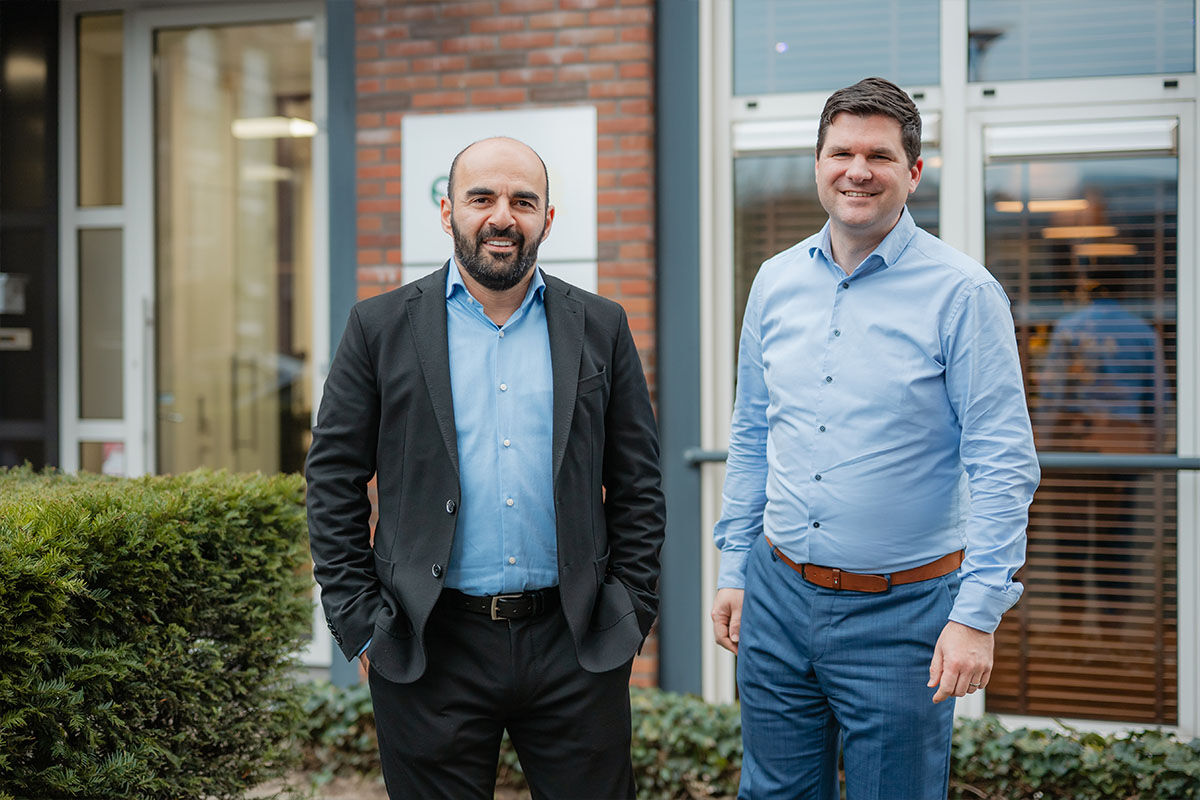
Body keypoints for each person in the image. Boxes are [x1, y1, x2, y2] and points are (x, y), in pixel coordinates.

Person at [710, 77, 1040, 799]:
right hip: (776, 593)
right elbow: (754, 431)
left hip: (903, 613)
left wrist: (976, 615)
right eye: (841, 153)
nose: (857, 171)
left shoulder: (964, 293)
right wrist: (735, 568)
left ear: (913, 172)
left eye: (879, 156)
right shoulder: (773, 282)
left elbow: (1002, 463)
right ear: (818, 164)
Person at [306, 136, 665, 800]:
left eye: (523, 201)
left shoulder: (602, 326)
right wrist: (361, 623)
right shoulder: (378, 327)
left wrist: (630, 608)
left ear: (547, 219)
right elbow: (332, 479)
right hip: (429, 644)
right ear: (448, 212)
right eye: (482, 198)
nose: (503, 217)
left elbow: (638, 482)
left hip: (573, 644)